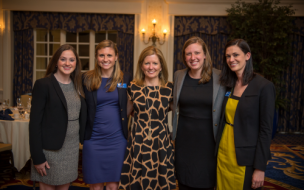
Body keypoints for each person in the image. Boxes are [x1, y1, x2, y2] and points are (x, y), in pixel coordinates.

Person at [215, 39, 275, 190]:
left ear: (247, 56)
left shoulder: (264, 86)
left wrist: (260, 168)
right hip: (223, 151)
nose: (231, 59)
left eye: (236, 55)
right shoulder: (227, 84)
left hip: (245, 157)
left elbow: (266, 130)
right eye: (228, 56)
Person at [29, 44, 87, 190]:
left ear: (76, 63)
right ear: (56, 62)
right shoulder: (43, 84)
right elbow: (34, 124)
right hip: (49, 151)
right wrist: (38, 157)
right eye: (63, 59)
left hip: (71, 149)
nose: (67, 63)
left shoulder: (78, 85)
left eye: (71, 60)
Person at [172, 36, 226, 190]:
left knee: (206, 182)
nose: (192, 57)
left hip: (208, 141)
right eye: (188, 54)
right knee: (184, 180)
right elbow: (172, 102)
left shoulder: (219, 77)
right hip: (183, 140)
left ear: (204, 55)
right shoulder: (179, 75)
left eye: (197, 53)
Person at [119, 46, 176, 190]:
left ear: (161, 66)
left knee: (161, 181)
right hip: (138, 140)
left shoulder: (170, 88)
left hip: (162, 142)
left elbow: (179, 113)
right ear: (141, 66)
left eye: (155, 63)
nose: (151, 67)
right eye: (147, 63)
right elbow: (124, 115)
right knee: (137, 180)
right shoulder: (133, 87)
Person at [82, 40, 131, 190]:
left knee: (113, 186)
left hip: (117, 140)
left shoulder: (125, 79)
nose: (105, 59)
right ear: (96, 57)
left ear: (116, 56)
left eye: (109, 55)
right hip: (93, 140)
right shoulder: (86, 79)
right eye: (101, 55)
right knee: (95, 186)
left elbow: (131, 106)